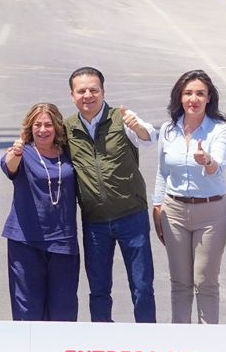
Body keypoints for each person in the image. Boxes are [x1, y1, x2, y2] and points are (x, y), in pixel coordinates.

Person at [64, 67, 157, 323]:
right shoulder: (68, 128)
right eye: (81, 91)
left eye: (94, 90)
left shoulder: (121, 118)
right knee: (99, 290)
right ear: (72, 95)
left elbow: (149, 137)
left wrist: (138, 127)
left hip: (132, 217)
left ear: (103, 92)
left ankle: (147, 338)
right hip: (94, 223)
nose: (88, 95)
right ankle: (102, 338)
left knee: (142, 287)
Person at [151, 70, 226, 324]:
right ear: (180, 96)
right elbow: (163, 171)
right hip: (174, 210)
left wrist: (206, 160)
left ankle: (207, 340)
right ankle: (181, 340)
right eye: (188, 93)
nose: (193, 99)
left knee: (204, 281)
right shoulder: (169, 129)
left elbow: (217, 167)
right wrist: (157, 206)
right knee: (180, 282)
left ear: (209, 98)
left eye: (200, 94)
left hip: (211, 213)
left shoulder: (219, 130)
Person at [1, 102, 79, 321]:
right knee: (27, 309)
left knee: (64, 310)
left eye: (48, 125)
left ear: (57, 127)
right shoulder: (23, 152)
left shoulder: (69, 153)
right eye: (37, 125)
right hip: (25, 241)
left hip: (62, 241)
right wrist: (16, 152)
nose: (43, 130)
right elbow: (9, 166)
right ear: (29, 127)